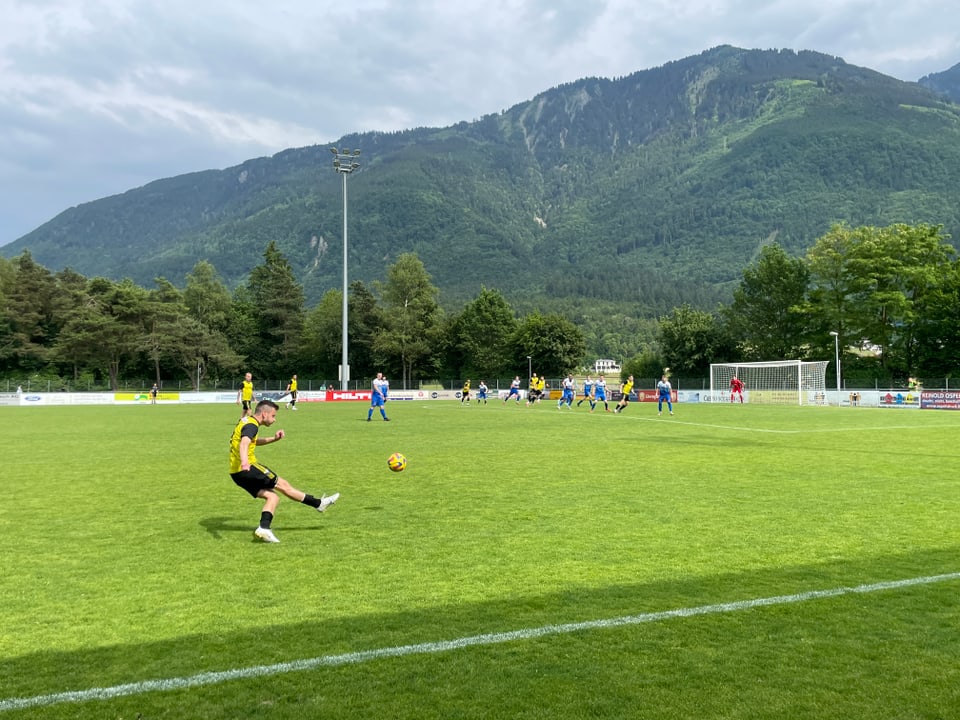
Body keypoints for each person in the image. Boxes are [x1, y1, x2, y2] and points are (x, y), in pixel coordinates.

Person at [229, 399, 339, 543]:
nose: (274, 420)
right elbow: (244, 443)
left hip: (236, 473)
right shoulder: (251, 425)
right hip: (248, 468)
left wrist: (274, 439)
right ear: (264, 414)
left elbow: (252, 441)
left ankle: (264, 528)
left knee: (273, 497)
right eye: (273, 416)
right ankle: (318, 503)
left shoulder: (246, 421)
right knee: (284, 485)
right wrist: (244, 462)